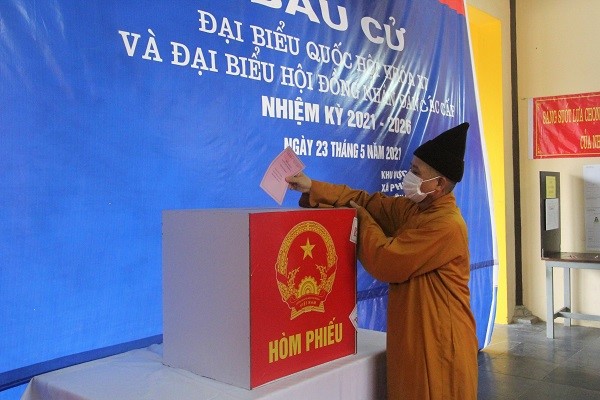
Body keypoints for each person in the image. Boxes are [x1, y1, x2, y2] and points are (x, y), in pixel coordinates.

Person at [286, 122, 478, 400]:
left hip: (441, 342)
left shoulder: (446, 225)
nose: (408, 177)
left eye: (415, 172)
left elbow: (387, 260)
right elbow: (365, 200)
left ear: (439, 184)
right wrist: (312, 186)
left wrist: (362, 220)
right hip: (414, 335)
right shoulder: (414, 209)